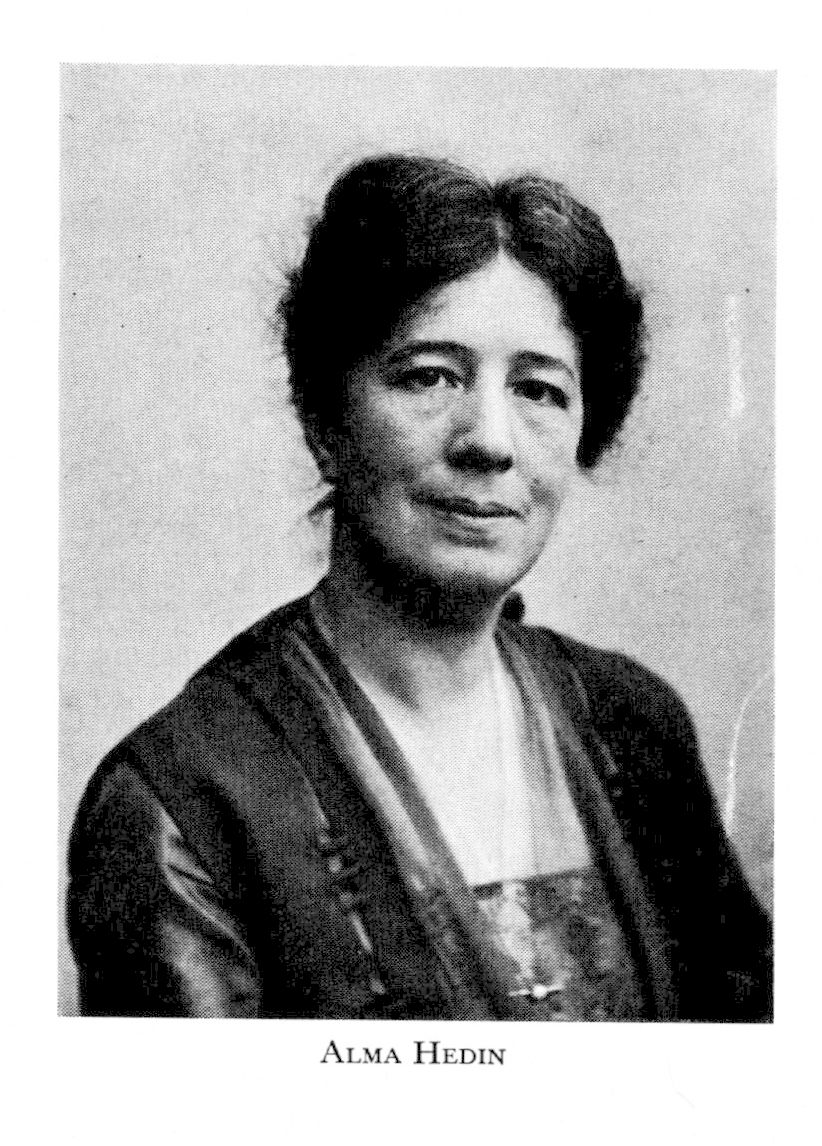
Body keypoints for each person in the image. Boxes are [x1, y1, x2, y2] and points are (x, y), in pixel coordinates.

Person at [68, 154, 772, 1020]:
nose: (490, 440)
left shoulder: (634, 724)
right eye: (430, 376)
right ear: (324, 420)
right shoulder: (186, 802)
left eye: (539, 389)